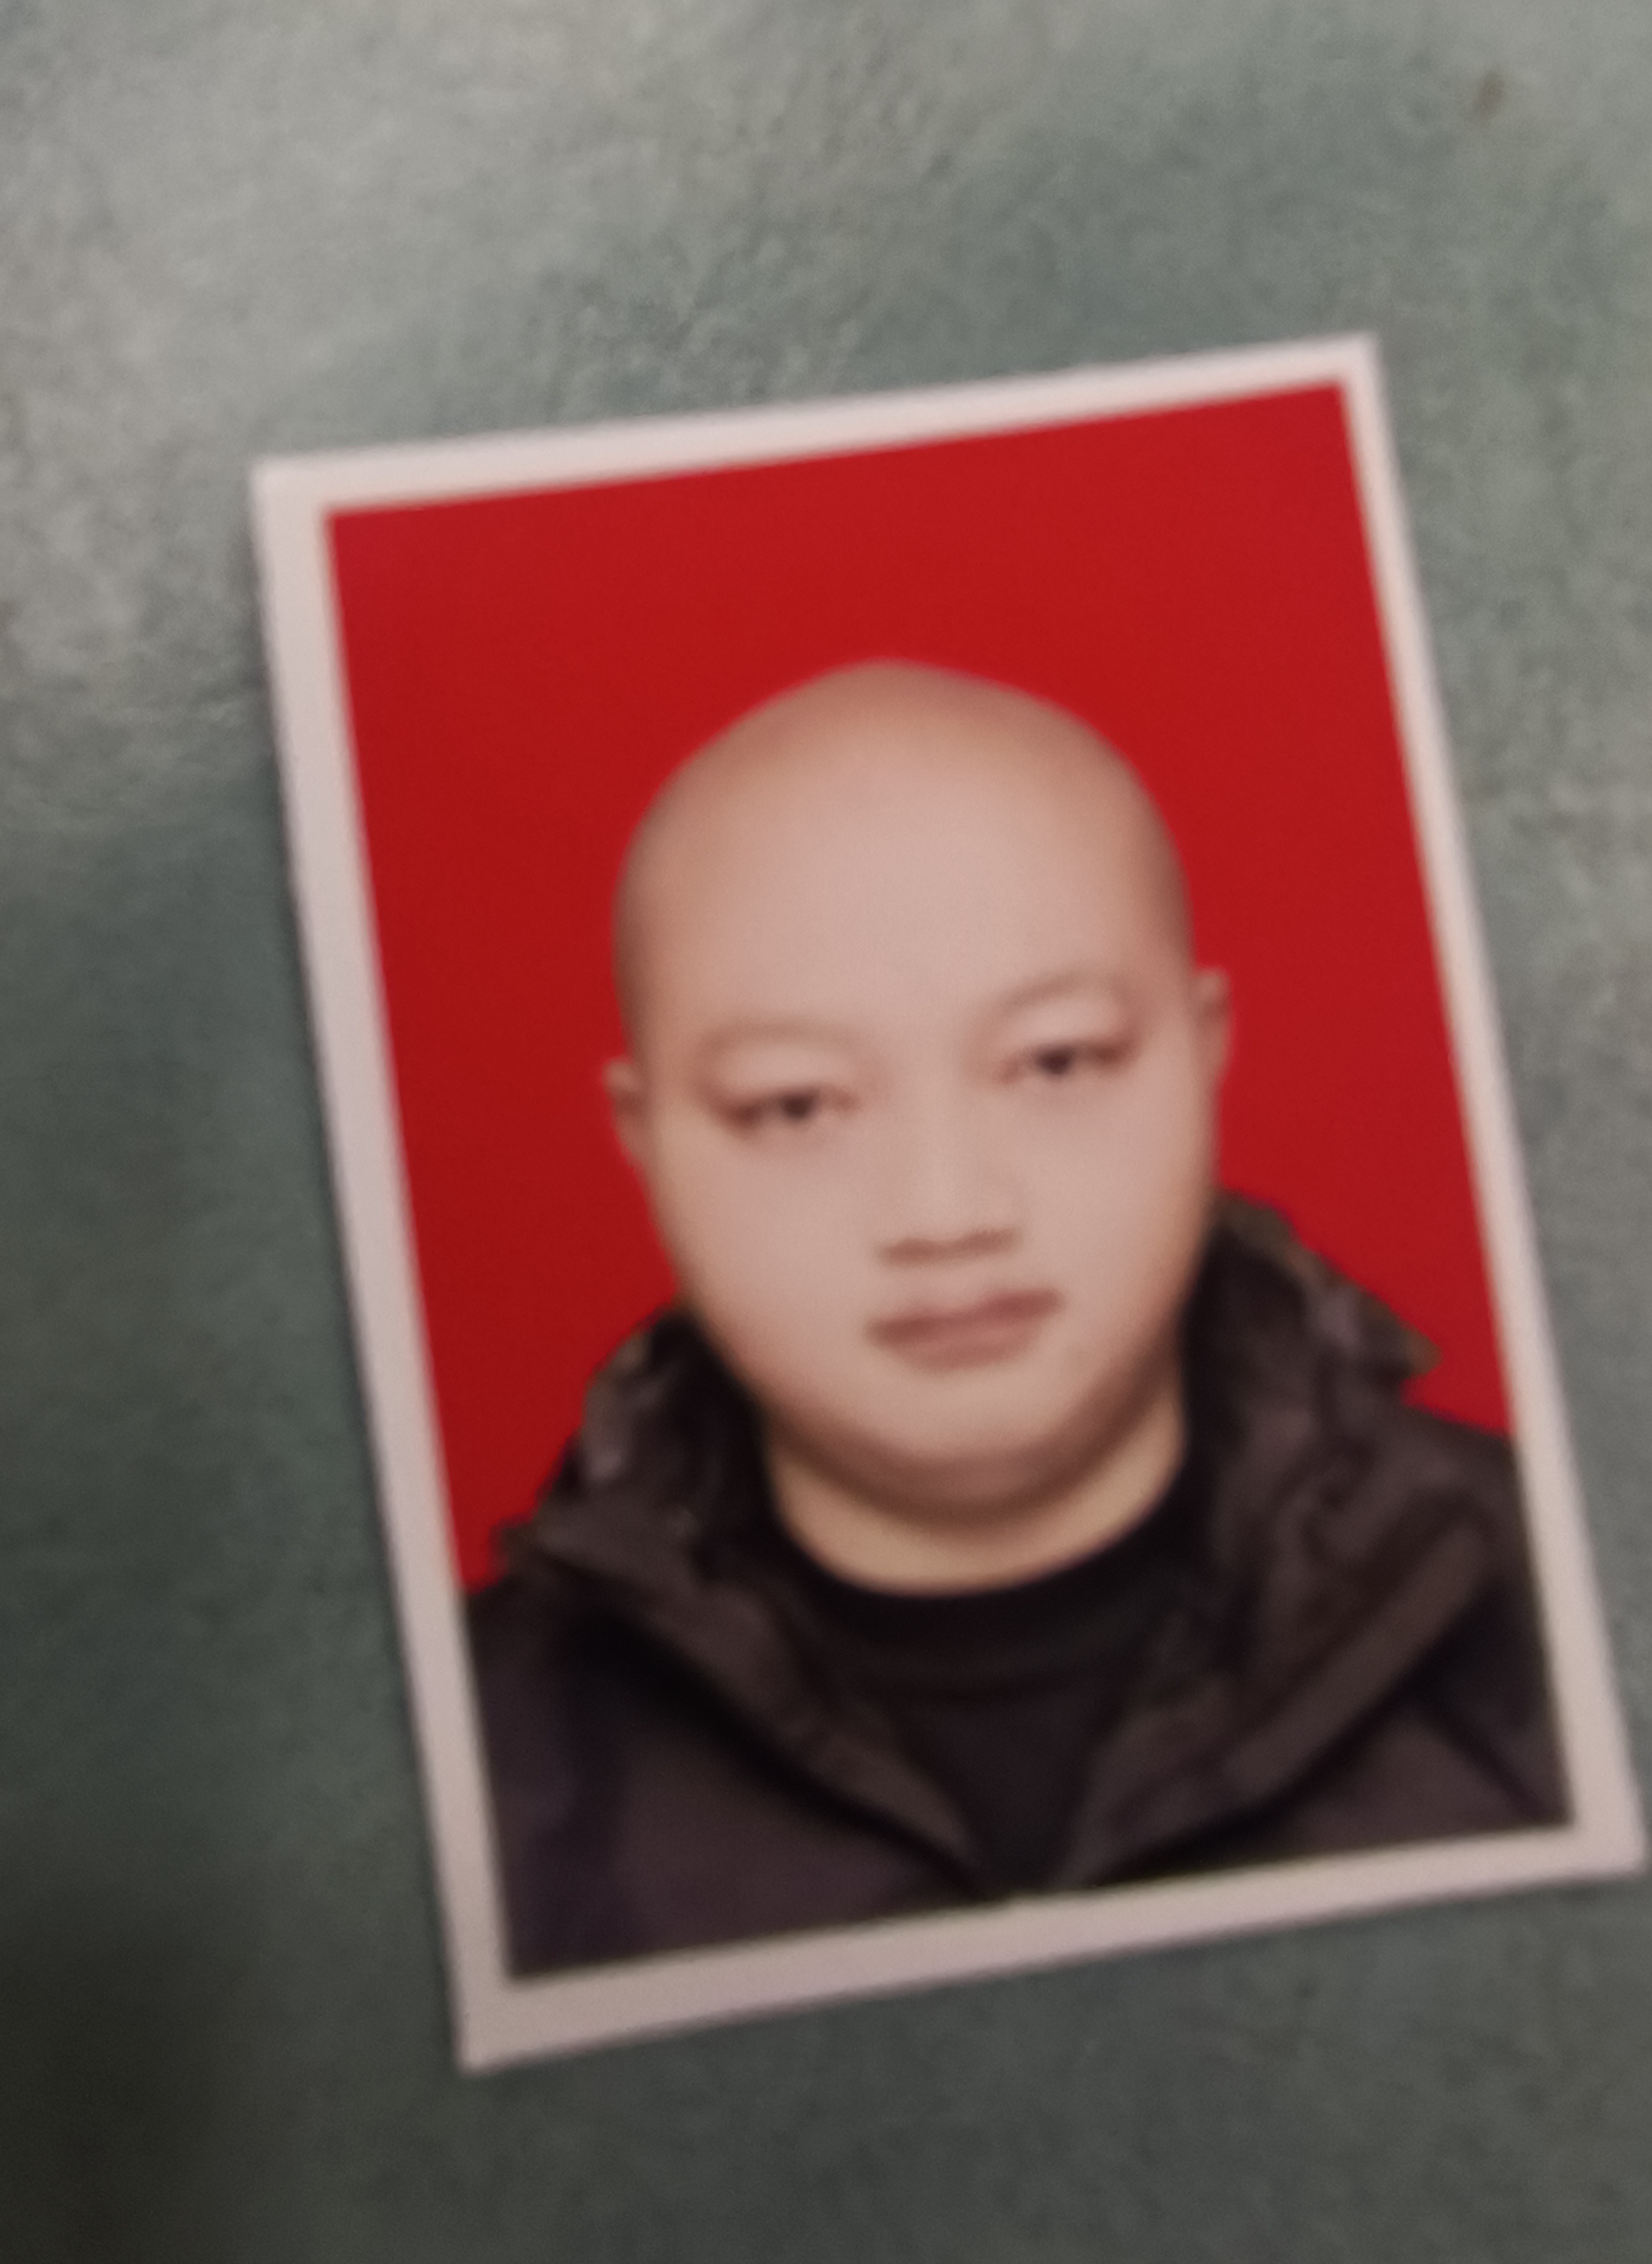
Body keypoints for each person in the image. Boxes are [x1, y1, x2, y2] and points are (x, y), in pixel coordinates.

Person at [469, 663, 1565, 1974]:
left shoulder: (1591, 1617)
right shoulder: (452, 1779)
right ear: (642, 1141)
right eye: (798, 1105)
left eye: (1055, 1063)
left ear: (1205, 1055)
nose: (945, 1212)